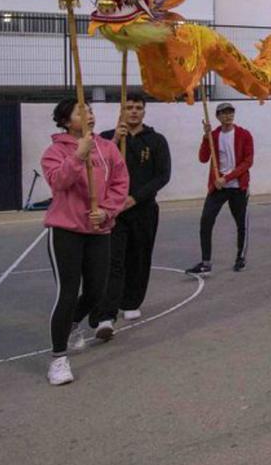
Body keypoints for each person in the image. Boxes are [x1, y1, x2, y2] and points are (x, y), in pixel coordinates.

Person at [42, 99, 129, 386]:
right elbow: (58, 183)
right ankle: (58, 359)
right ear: (66, 121)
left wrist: (106, 210)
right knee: (68, 292)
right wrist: (78, 156)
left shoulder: (108, 148)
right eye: (81, 111)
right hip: (65, 231)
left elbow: (120, 183)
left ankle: (74, 324)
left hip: (98, 230)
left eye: (90, 110)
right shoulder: (54, 152)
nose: (89, 114)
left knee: (95, 292)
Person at [98, 93, 171, 326]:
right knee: (113, 261)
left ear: (144, 111)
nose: (133, 111)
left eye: (138, 107)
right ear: (121, 110)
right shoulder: (106, 138)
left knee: (139, 257)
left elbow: (162, 175)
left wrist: (135, 198)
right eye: (128, 107)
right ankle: (107, 314)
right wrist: (112, 144)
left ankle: (131, 302)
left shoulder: (156, 140)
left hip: (144, 209)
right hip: (114, 212)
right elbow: (97, 169)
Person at [188, 102, 254, 275]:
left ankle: (240, 257)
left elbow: (248, 162)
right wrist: (205, 137)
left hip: (238, 186)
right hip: (218, 187)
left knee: (241, 224)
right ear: (217, 116)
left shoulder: (244, 134)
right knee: (206, 221)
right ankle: (206, 262)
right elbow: (203, 158)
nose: (228, 115)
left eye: (230, 112)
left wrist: (227, 178)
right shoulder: (214, 135)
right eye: (223, 113)